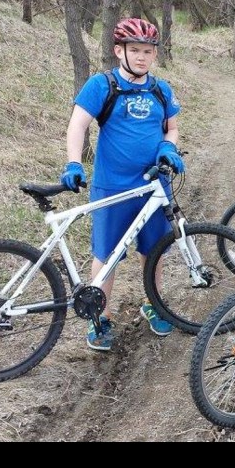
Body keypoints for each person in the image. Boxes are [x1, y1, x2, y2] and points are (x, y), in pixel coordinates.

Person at [59, 18, 184, 351]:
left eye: (148, 51)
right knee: (107, 254)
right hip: (112, 186)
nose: (142, 57)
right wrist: (73, 161)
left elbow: (171, 128)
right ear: (119, 51)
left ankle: (154, 304)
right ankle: (101, 316)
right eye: (135, 50)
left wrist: (168, 147)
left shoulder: (161, 89)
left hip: (154, 185)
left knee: (153, 250)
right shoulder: (102, 85)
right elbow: (77, 125)